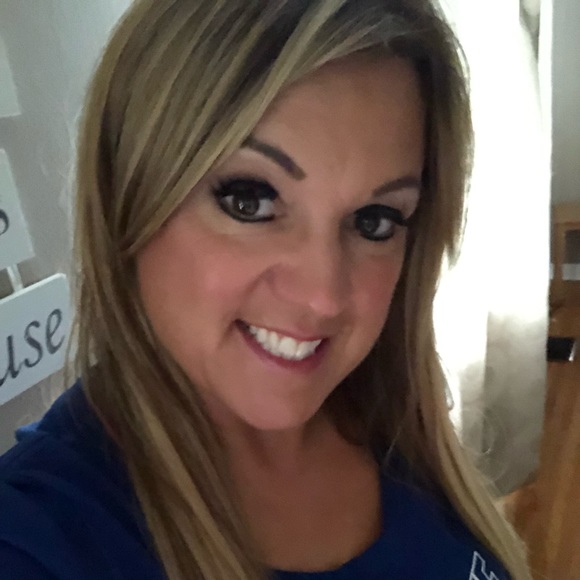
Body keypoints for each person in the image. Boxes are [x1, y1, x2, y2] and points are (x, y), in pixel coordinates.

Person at [0, 0, 531, 578]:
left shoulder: (394, 420)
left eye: (374, 221)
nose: (323, 296)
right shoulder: (37, 537)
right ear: (127, 196)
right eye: (249, 200)